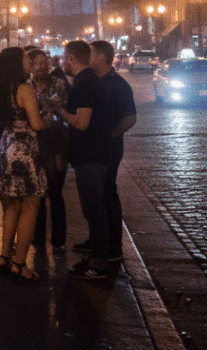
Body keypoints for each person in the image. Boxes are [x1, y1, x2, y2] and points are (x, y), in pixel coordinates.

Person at [57, 39, 114, 279]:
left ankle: (99, 263)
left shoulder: (84, 84)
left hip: (91, 156)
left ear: (71, 59)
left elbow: (82, 122)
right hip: (91, 154)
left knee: (94, 208)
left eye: (63, 58)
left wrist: (57, 110)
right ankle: (95, 255)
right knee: (93, 209)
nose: (61, 62)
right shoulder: (86, 81)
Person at [0, 47, 49, 282]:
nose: (29, 61)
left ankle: (4, 257)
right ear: (17, 63)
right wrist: (48, 118)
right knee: (29, 208)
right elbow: (35, 124)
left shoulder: (2, 88)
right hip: (24, 152)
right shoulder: (25, 88)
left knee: (11, 207)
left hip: (6, 148)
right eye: (26, 58)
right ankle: (20, 263)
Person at [88, 40, 137, 263]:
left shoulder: (118, 85)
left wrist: (111, 134)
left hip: (109, 148)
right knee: (96, 196)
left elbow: (130, 117)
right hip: (96, 146)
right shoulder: (94, 82)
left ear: (100, 57)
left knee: (107, 193)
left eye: (89, 54)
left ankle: (114, 246)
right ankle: (97, 239)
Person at [28, 49, 70, 249]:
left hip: (56, 142)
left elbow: (54, 105)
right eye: (35, 63)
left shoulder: (59, 84)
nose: (39, 67)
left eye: (42, 63)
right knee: (37, 192)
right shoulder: (25, 86)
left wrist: (37, 108)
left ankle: (58, 239)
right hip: (34, 142)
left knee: (55, 191)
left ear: (48, 64)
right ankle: (38, 238)